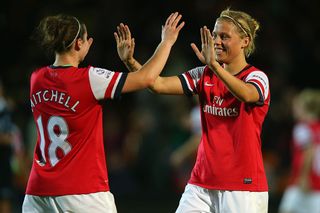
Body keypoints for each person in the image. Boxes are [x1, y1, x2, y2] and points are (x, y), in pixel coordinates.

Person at [22, 12, 184, 212]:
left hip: (38, 191)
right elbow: (147, 78)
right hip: (82, 192)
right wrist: (166, 42)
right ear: (79, 44)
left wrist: (128, 61)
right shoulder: (89, 78)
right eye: (87, 39)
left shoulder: (36, 78)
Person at [117, 8, 270, 213]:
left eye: (224, 36)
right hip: (201, 183)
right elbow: (157, 84)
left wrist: (215, 66)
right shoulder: (203, 75)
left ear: (245, 41)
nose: (216, 41)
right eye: (214, 35)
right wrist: (130, 61)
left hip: (243, 186)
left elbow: (247, 95)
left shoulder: (256, 77)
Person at [278, 89, 320, 213]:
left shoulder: (302, 128)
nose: (294, 110)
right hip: (317, 183)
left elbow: (309, 152)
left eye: (297, 107)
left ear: (305, 108)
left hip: (301, 181)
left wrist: (303, 177)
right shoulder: (317, 127)